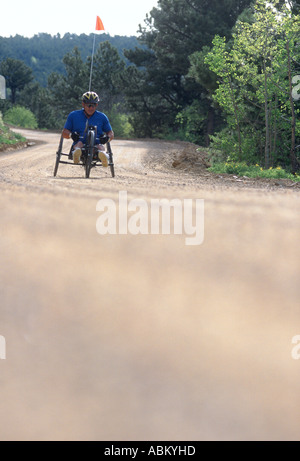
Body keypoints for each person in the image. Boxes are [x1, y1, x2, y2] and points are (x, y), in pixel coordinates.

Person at [62, 91, 114, 167]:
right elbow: (64, 132)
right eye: (89, 105)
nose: (91, 108)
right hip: (80, 143)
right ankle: (77, 153)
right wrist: (71, 135)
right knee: (79, 144)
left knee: (100, 146)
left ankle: (103, 155)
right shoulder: (73, 115)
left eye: (94, 105)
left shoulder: (102, 117)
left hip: (96, 145)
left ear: (97, 105)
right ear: (83, 104)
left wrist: (107, 138)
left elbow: (110, 132)